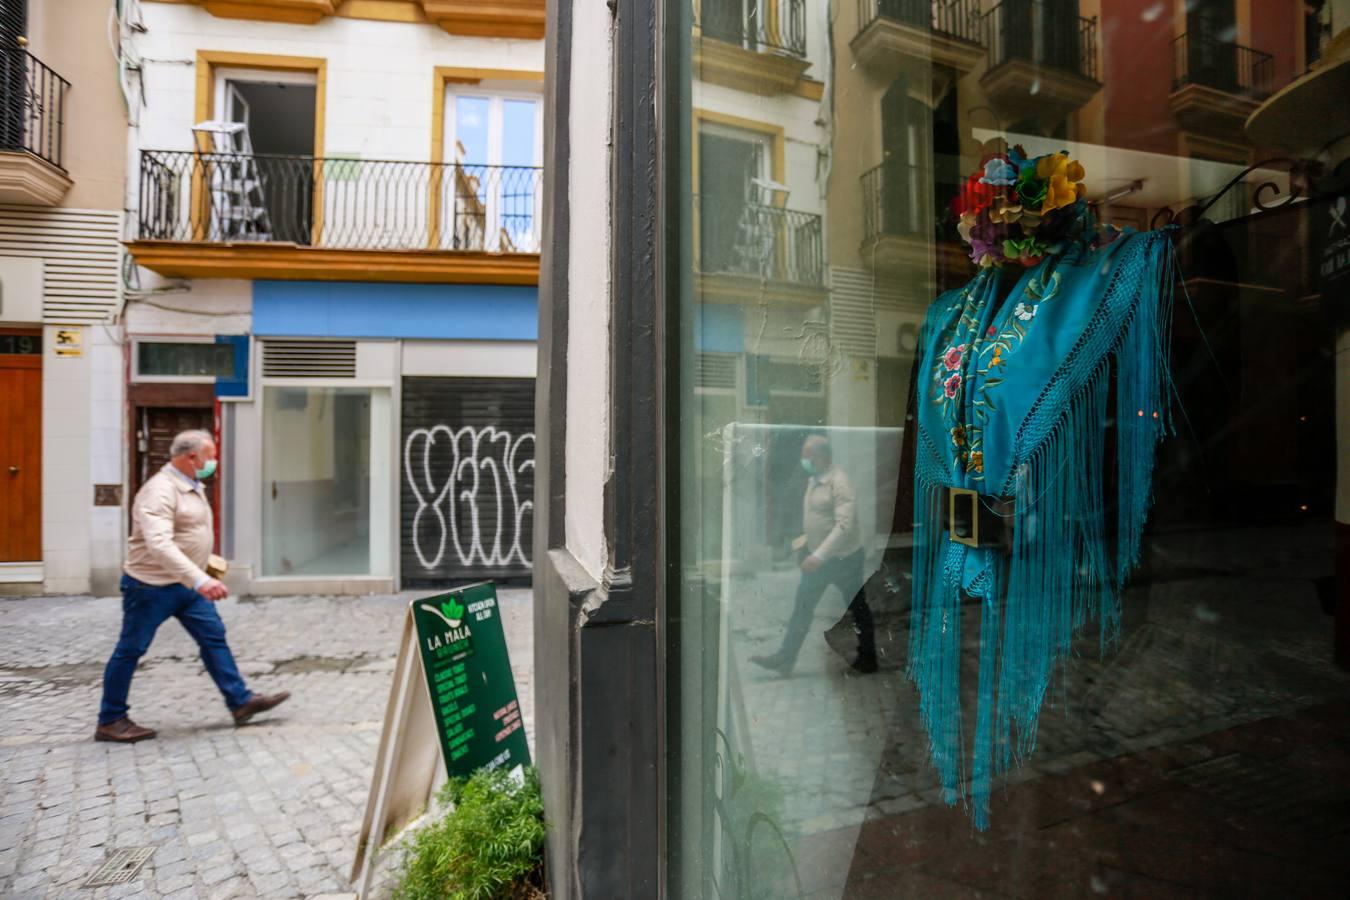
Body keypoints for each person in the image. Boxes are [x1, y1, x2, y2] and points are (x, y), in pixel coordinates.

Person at [95, 429, 289, 742]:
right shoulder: (159, 491)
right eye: (210, 455)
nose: (214, 461)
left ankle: (240, 702)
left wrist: (203, 565)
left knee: (214, 638)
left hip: (186, 586)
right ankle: (110, 719)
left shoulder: (190, 486)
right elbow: (159, 544)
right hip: (151, 587)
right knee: (130, 649)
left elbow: (186, 534)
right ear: (191, 457)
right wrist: (200, 579)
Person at [751, 435, 878, 676]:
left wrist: (818, 556)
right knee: (802, 607)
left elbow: (844, 526)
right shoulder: (815, 478)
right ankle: (785, 659)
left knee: (857, 607)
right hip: (820, 558)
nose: (804, 460)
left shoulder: (839, 483)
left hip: (845, 559)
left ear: (823, 457)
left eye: (808, 456)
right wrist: (804, 545)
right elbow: (816, 517)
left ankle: (868, 658)